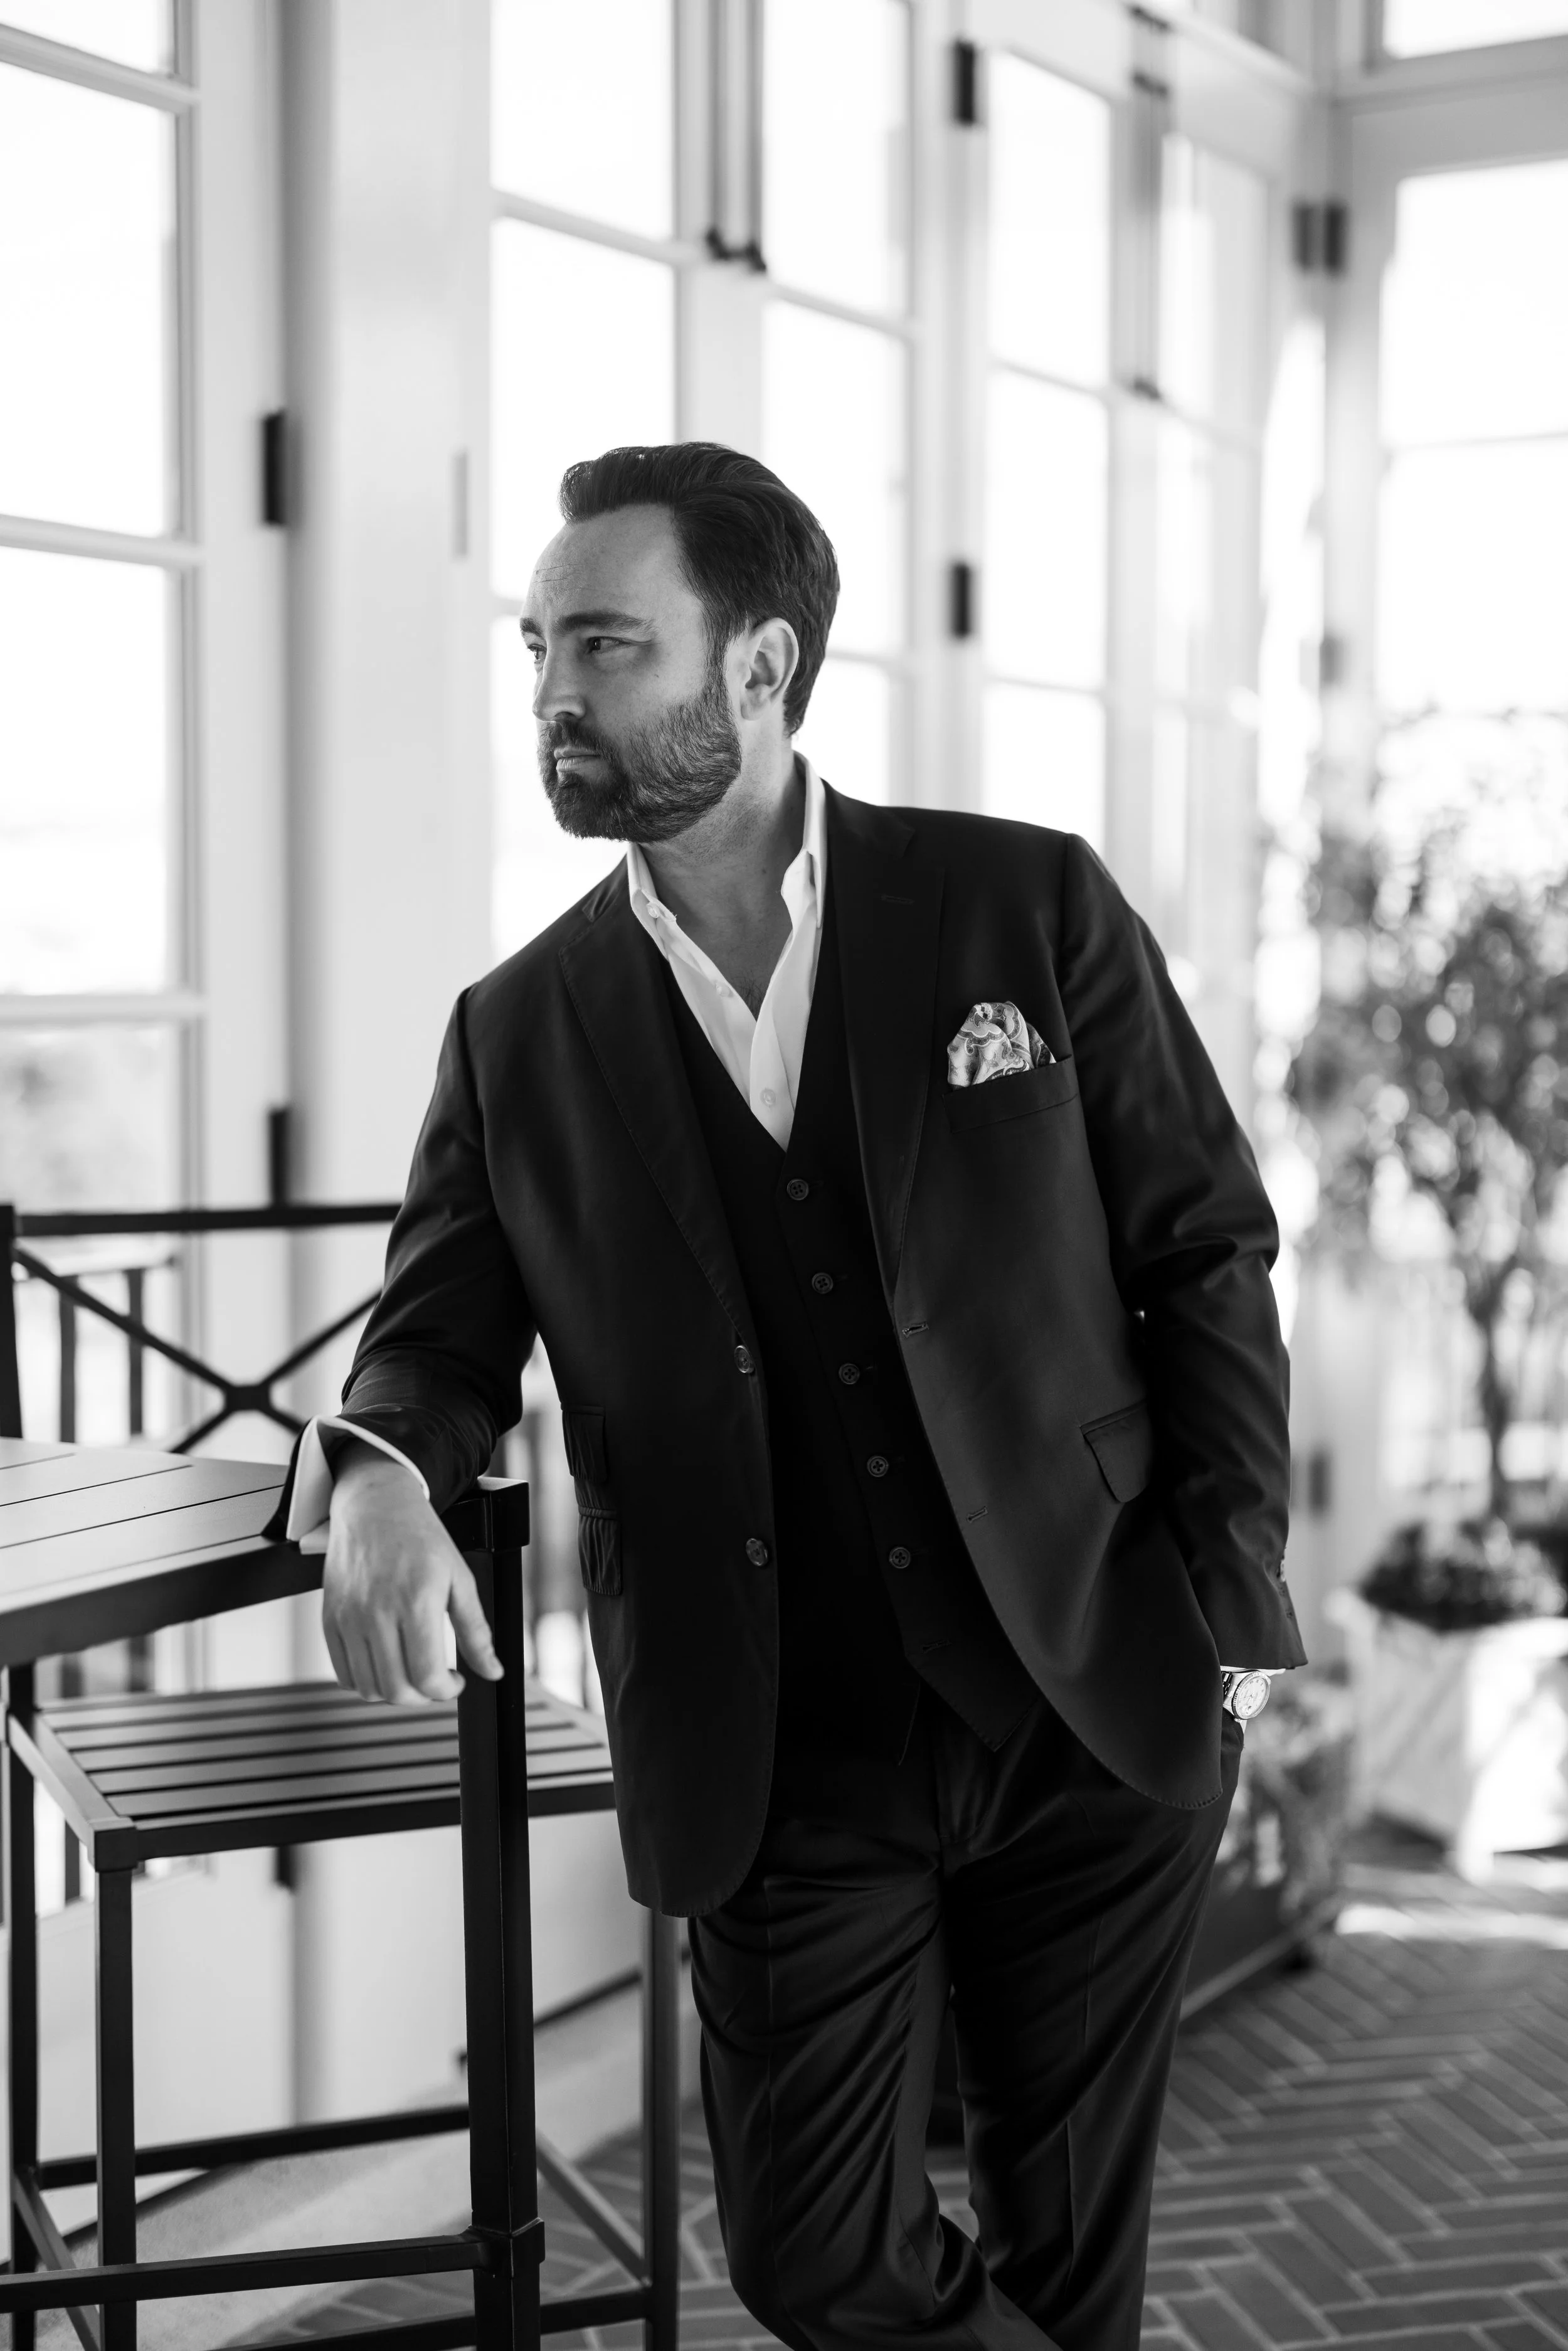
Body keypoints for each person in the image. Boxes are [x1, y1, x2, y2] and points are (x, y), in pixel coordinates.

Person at [269, 441, 1304, 2351]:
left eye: (603, 645)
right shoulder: (520, 1030)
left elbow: (1203, 1248)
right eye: (537, 652)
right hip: (777, 1746)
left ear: (756, 667)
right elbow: (434, 1332)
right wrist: (384, 1471)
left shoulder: (1021, 907)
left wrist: (1225, 1603)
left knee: (1073, 2249)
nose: (555, 698)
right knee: (814, 2251)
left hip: (1087, 1681)